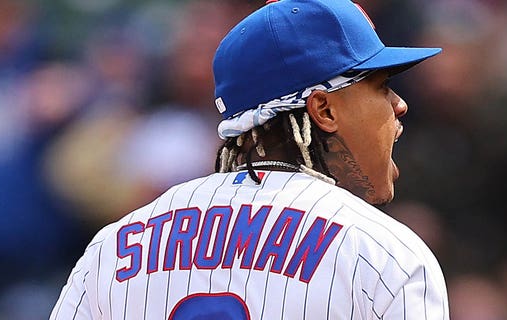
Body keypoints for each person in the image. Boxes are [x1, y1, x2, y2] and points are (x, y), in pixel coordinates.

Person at [50, 0, 448, 319]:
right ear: (323, 109)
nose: (399, 105)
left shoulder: (115, 246)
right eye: (382, 88)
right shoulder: (384, 254)